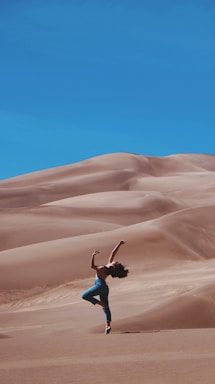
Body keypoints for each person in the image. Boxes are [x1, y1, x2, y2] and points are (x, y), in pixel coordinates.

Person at [82, 240, 128, 334]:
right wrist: (119, 244)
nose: (115, 261)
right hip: (105, 288)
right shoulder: (108, 267)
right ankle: (108, 325)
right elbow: (113, 253)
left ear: (113, 265)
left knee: (85, 296)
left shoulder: (103, 268)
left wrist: (93, 255)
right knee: (106, 307)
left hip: (99, 285)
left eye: (115, 262)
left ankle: (100, 304)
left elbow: (92, 266)